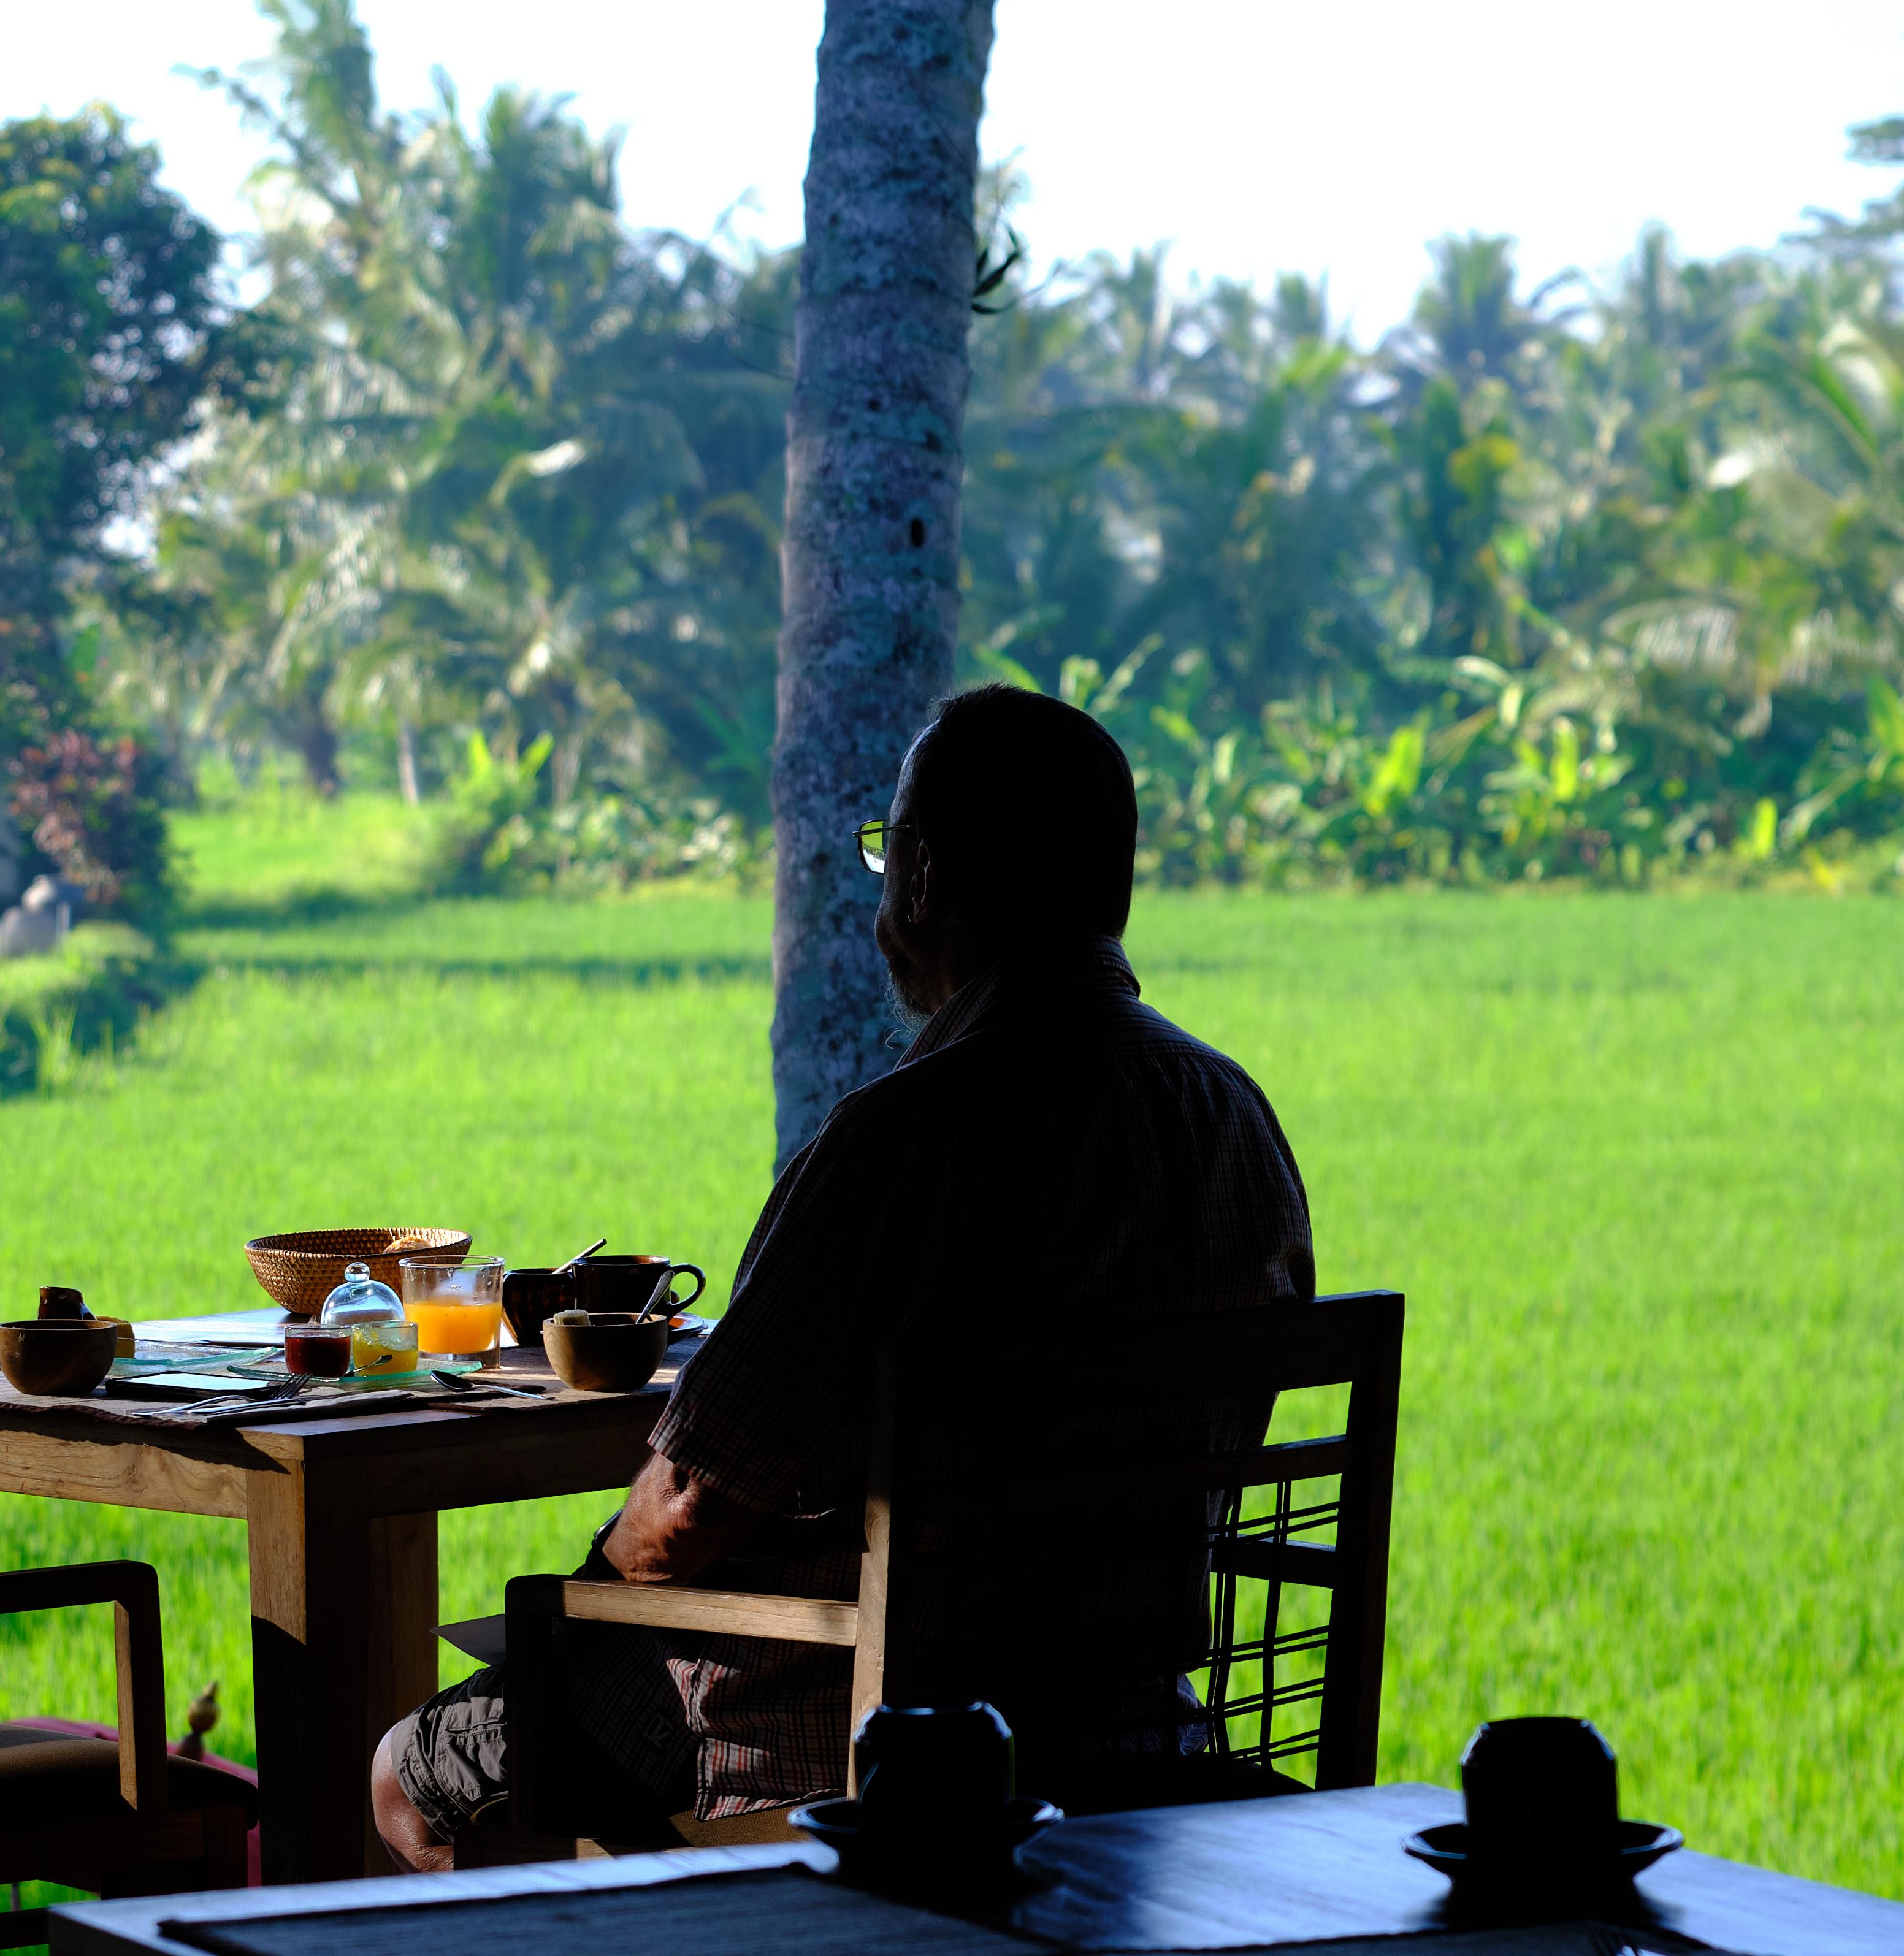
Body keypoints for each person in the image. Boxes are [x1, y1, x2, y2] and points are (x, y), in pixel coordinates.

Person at [371, 684, 1316, 1868]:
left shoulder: (904, 1137)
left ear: (920, 877)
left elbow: (690, 1509)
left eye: (887, 856)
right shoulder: (1234, 1118)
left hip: (855, 1725)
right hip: (1133, 1726)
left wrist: (574, 1615)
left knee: (412, 1774)